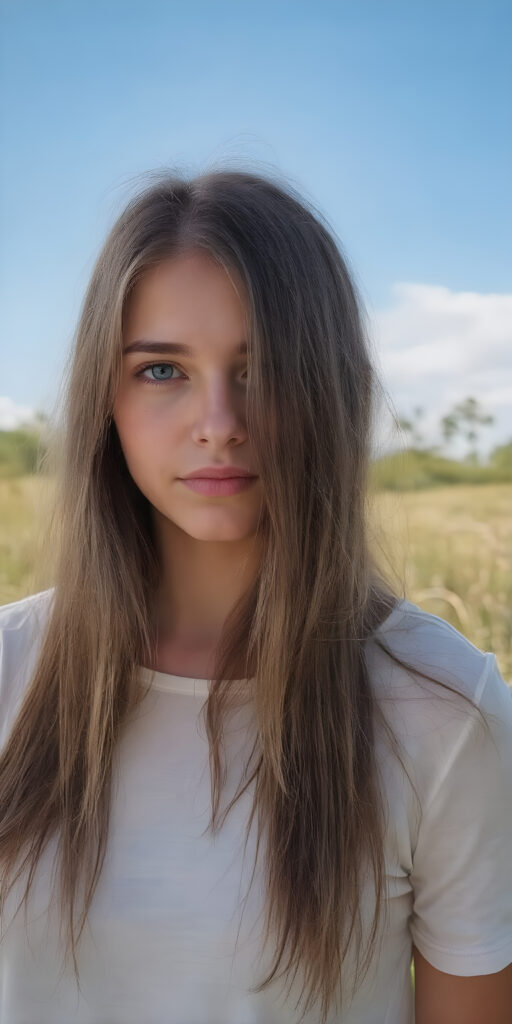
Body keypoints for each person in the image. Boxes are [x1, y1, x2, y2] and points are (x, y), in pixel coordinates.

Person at [0, 168, 511, 1024]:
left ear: (332, 389)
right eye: (163, 370)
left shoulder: (444, 710)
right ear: (105, 400)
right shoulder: (9, 670)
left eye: (264, 367)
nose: (220, 421)